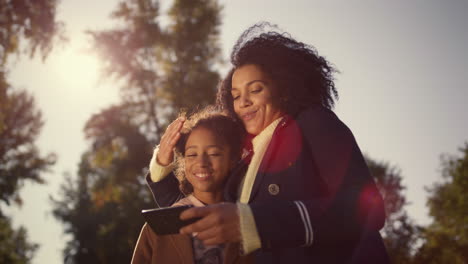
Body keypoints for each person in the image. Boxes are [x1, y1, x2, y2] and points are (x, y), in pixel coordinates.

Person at [146, 22, 389, 263]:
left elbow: (368, 211)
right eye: (236, 96)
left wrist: (252, 223)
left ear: (283, 89)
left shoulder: (313, 122)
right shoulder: (243, 163)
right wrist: (162, 162)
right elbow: (195, 208)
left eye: (256, 89)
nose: (243, 102)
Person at [131, 107, 253, 264]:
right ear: (183, 162)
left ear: (234, 158)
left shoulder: (250, 221)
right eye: (192, 155)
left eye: (214, 153)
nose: (201, 163)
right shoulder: (156, 228)